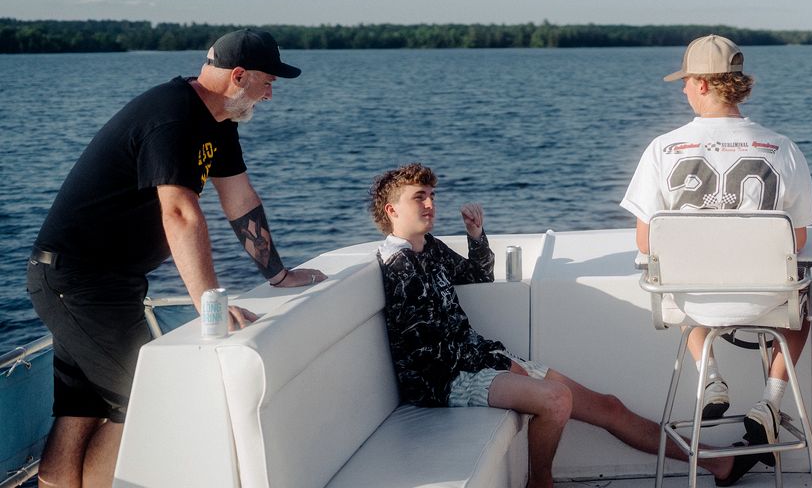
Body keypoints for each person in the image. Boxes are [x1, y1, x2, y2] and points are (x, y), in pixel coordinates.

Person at [26, 28, 325, 488]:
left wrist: (279, 274)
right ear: (239, 76)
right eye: (268, 82)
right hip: (76, 280)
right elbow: (180, 213)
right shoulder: (172, 117)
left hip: (108, 281)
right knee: (143, 403)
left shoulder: (219, 120)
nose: (270, 95)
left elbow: (240, 199)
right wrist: (210, 305)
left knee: (82, 407)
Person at [372, 164, 754, 488]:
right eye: (419, 198)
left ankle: (718, 462)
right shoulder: (399, 267)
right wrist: (498, 363)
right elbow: (425, 352)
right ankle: (541, 482)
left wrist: (476, 237)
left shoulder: (429, 248)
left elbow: (477, 277)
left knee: (608, 406)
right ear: (392, 210)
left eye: (432, 196)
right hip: (447, 382)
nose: (430, 204)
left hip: (482, 360)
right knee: (556, 400)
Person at [620, 34, 812, 459]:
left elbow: (645, 240)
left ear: (705, 83)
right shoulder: (783, 148)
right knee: (804, 305)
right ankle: (770, 401)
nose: (683, 90)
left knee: (681, 274)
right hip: (766, 302)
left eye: (686, 82)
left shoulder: (661, 149)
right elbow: (798, 239)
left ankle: (710, 377)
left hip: (693, 302)